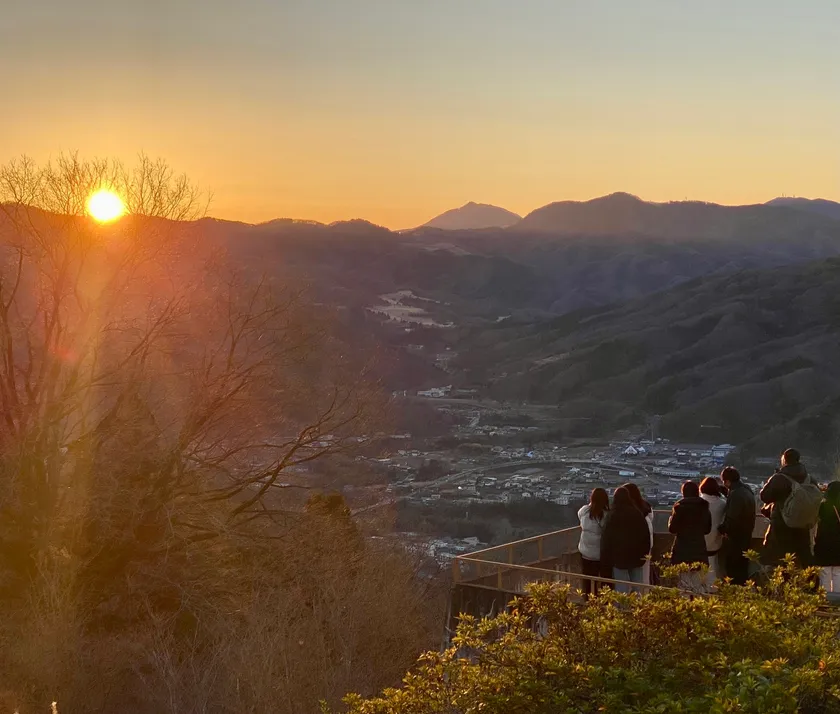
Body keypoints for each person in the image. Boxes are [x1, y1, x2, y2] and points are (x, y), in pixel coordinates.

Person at [759, 448, 816, 568]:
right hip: (802, 525)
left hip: (781, 525)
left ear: (784, 460)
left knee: (779, 561)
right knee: (804, 562)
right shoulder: (809, 479)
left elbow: (764, 496)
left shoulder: (779, 478)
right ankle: (809, 586)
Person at [601, 486, 651, 594]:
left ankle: (622, 609)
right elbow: (645, 534)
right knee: (638, 587)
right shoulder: (637, 513)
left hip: (619, 558)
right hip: (637, 556)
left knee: (621, 588)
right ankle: (640, 608)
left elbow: (606, 538)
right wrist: (645, 554)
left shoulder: (612, 515)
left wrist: (606, 557)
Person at [669, 481, 712, 591]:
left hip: (682, 549)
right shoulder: (704, 507)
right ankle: (698, 606)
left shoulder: (679, 508)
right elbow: (707, 530)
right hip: (699, 548)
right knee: (698, 583)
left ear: (683, 493)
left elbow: (672, 529)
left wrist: (670, 520)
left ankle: (685, 606)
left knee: (683, 583)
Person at [718, 466, 756, 585]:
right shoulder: (746, 489)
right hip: (746, 535)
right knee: (743, 567)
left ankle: (735, 592)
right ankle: (742, 590)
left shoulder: (736, 495)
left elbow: (732, 518)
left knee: (733, 568)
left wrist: (721, 529)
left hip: (736, 538)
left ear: (727, 481)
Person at [577, 488, 611, 597]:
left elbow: (579, 516)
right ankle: (605, 603)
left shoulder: (584, 511)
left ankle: (589, 602)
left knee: (588, 581)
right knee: (606, 581)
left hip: (586, 553)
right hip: (602, 555)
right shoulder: (607, 515)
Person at [623, 482, 654, 584]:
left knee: (628, 578)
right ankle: (643, 596)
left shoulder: (629, 509)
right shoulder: (646, 507)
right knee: (644, 575)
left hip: (631, 547)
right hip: (647, 545)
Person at [814, 481, 840, 593]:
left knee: (824, 571)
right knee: (838, 572)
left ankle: (825, 599)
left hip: (824, 543)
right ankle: (837, 598)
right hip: (838, 544)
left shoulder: (823, 506)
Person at [699, 477, 727, 582]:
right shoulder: (722, 503)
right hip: (715, 539)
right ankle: (712, 587)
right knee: (713, 564)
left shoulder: (699, 502)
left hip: (700, 539)